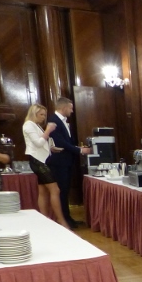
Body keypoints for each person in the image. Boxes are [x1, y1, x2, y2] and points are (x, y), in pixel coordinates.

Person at [22, 104, 69, 229]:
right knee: (55, 190)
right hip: (37, 161)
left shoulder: (35, 125)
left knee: (43, 191)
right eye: (41, 114)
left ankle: (45, 221)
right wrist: (48, 130)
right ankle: (61, 221)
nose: (43, 117)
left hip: (42, 159)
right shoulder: (28, 125)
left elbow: (41, 143)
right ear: (34, 114)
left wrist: (51, 148)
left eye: (44, 115)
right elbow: (38, 143)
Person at [47, 97, 90, 228]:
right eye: (70, 108)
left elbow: (67, 141)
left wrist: (77, 148)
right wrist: (79, 150)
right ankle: (64, 219)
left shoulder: (62, 121)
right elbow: (61, 142)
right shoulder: (53, 121)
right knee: (62, 190)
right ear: (64, 107)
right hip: (59, 162)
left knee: (65, 191)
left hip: (66, 161)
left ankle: (68, 218)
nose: (72, 111)